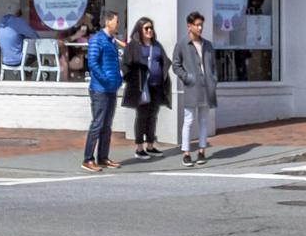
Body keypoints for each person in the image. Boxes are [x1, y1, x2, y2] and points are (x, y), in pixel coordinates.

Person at [172, 10, 219, 166]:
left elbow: (213, 65)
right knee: (189, 120)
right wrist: (187, 77)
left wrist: (213, 79)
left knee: (204, 120)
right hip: (192, 87)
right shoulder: (182, 44)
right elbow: (175, 65)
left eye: (201, 25)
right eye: (197, 25)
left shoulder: (208, 45)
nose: (200, 28)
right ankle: (186, 152)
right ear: (189, 26)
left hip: (207, 87)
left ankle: (202, 151)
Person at [121, 17, 171, 158]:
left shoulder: (156, 45)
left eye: (151, 28)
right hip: (142, 87)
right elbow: (125, 65)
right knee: (142, 116)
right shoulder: (134, 45)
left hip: (156, 86)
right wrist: (132, 80)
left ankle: (150, 145)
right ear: (140, 30)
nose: (150, 30)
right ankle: (139, 148)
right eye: (146, 28)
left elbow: (164, 61)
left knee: (153, 116)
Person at [82, 11, 125, 172]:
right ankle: (88, 159)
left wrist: (118, 80)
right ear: (108, 22)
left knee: (107, 125)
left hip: (111, 89)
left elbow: (115, 62)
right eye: (116, 21)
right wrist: (106, 79)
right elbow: (93, 63)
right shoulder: (97, 40)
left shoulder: (112, 41)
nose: (118, 24)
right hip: (99, 89)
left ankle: (103, 157)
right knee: (97, 124)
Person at [0, 6, 40, 73]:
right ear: (17, 13)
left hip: (5, 60)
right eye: (20, 14)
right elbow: (34, 35)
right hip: (18, 60)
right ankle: (29, 80)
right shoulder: (17, 21)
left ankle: (23, 77)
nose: (21, 16)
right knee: (35, 57)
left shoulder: (1, 22)